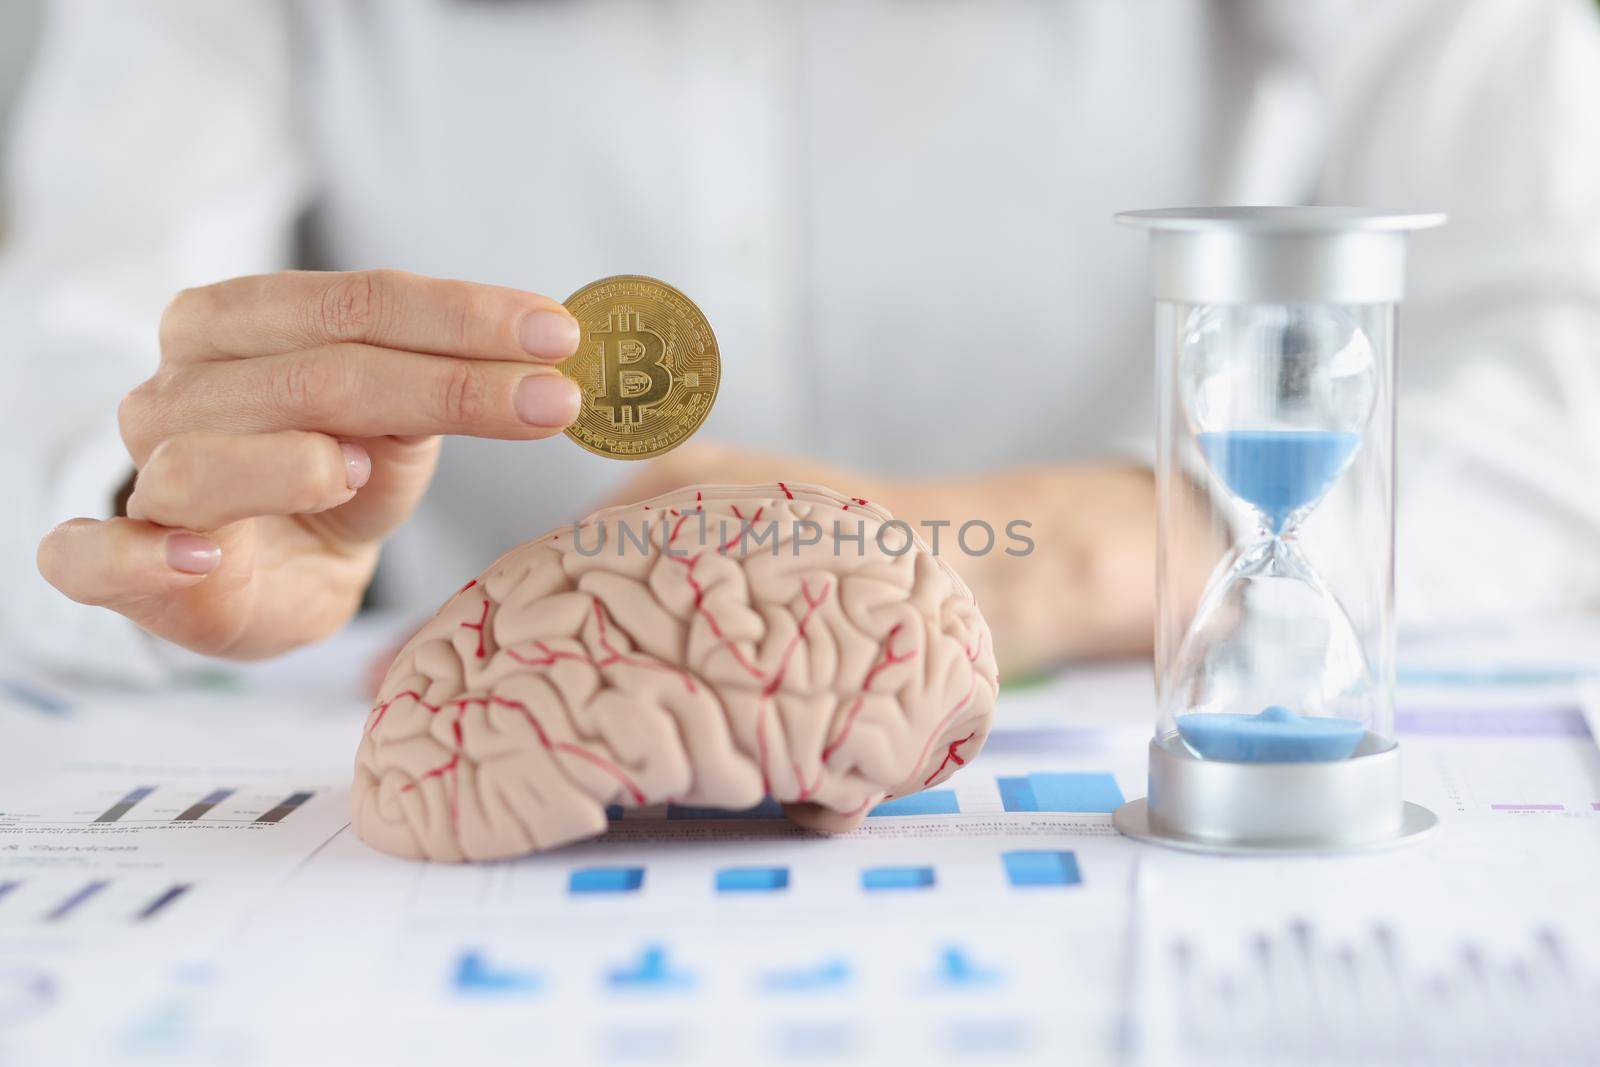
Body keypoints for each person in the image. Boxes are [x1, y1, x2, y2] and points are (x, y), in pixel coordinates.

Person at [7, 0, 1599, 685]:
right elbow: (62, 360)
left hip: (1125, 669)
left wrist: (1069, 553)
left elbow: (1557, 335)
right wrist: (182, 505)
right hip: (451, 698)